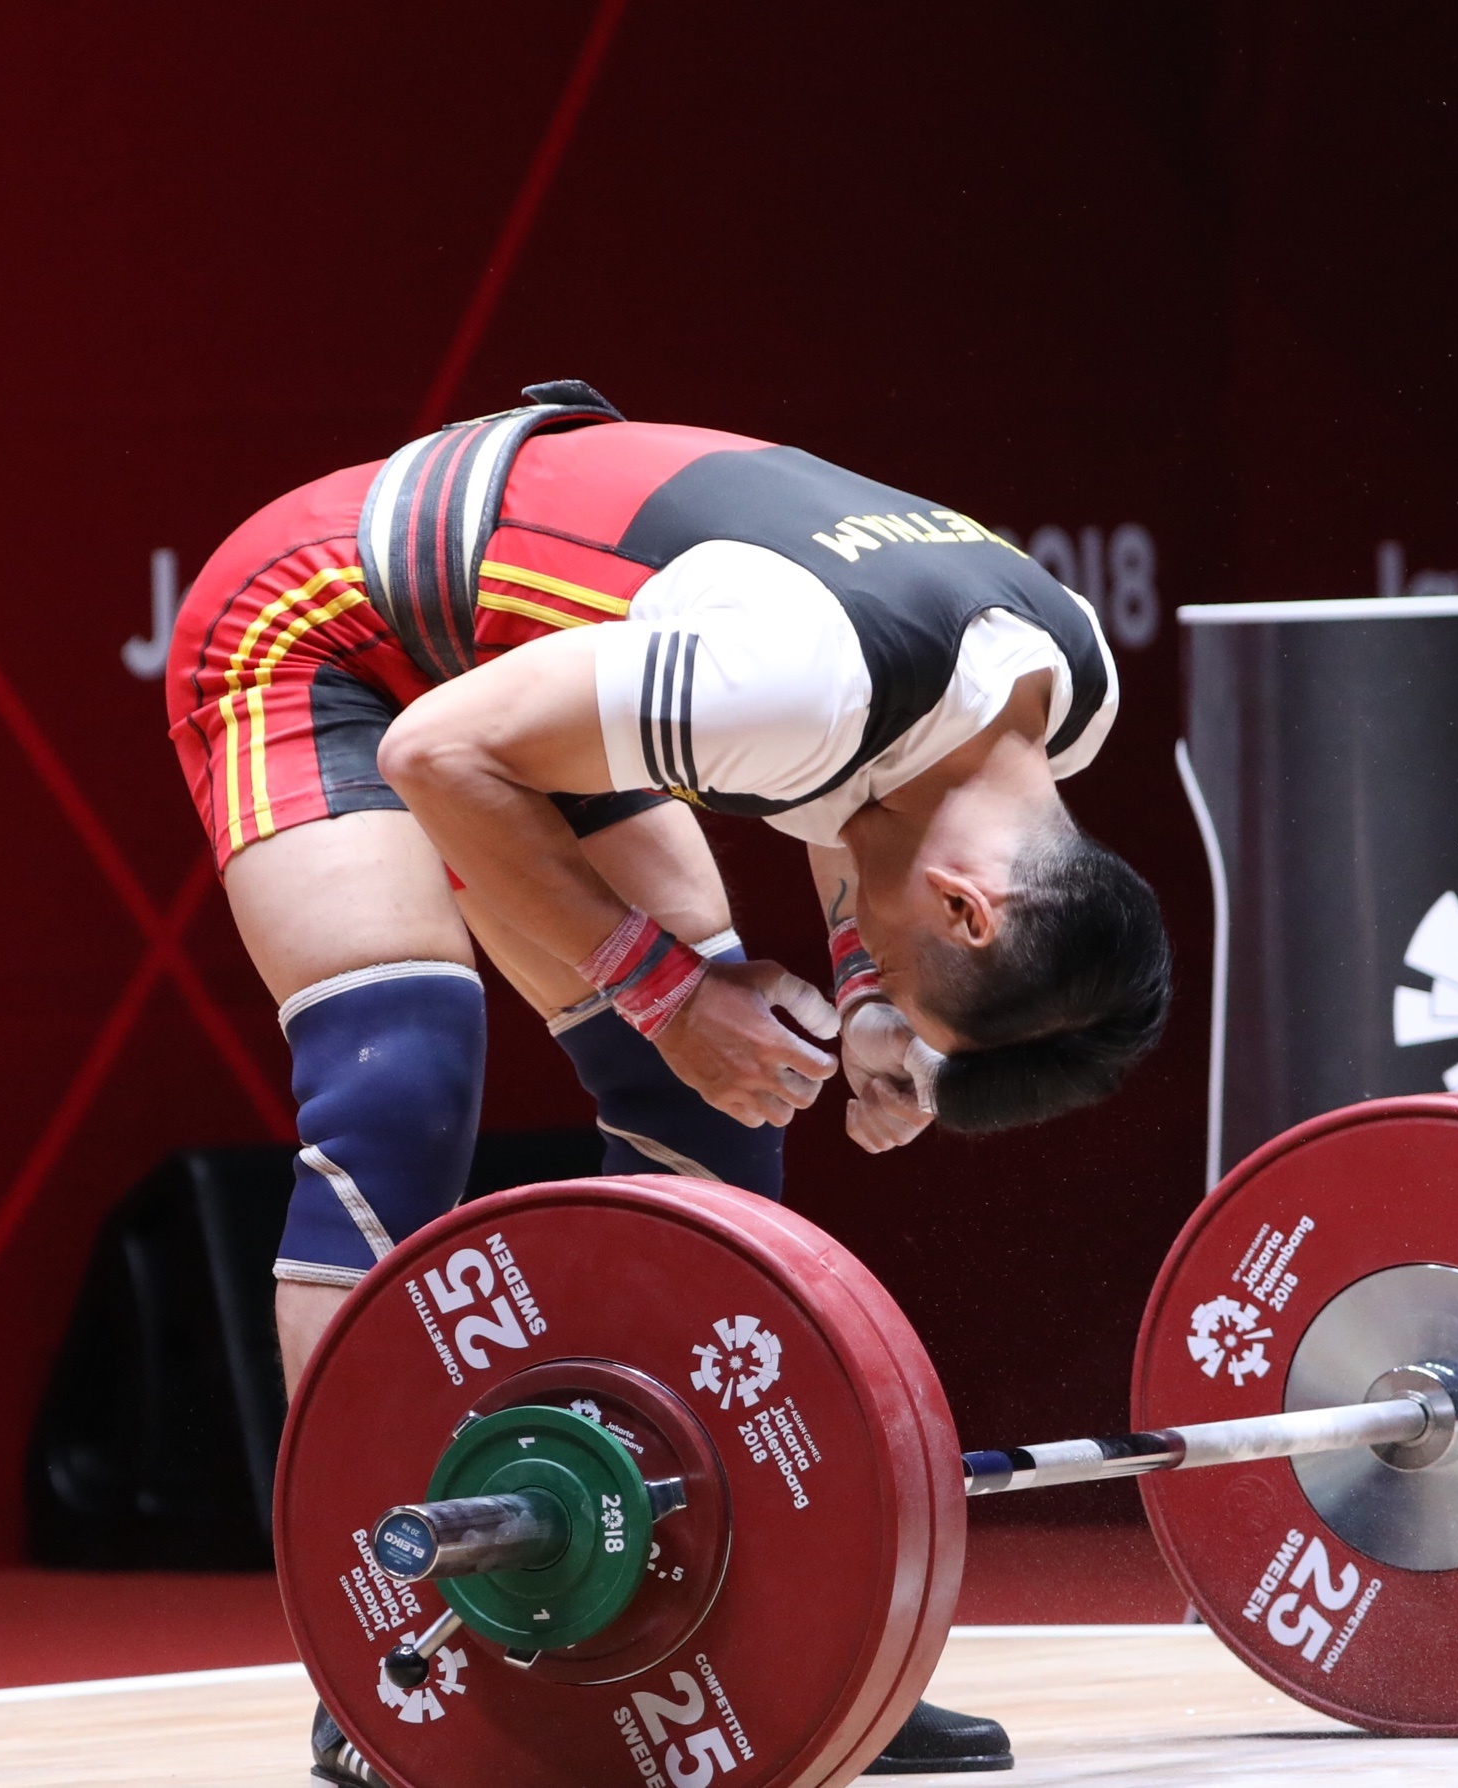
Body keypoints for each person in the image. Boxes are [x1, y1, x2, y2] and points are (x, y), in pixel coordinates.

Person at [164, 382, 1170, 1782]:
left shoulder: (1061, 695)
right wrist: (666, 992)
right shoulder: (793, 685)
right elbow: (432, 754)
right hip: (326, 623)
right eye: (909, 959)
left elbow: (876, 793)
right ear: (973, 912)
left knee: (709, 1090)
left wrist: (877, 1000)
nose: (874, 960)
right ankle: (379, 1635)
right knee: (399, 1075)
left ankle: (752, 1645)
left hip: (536, 672)